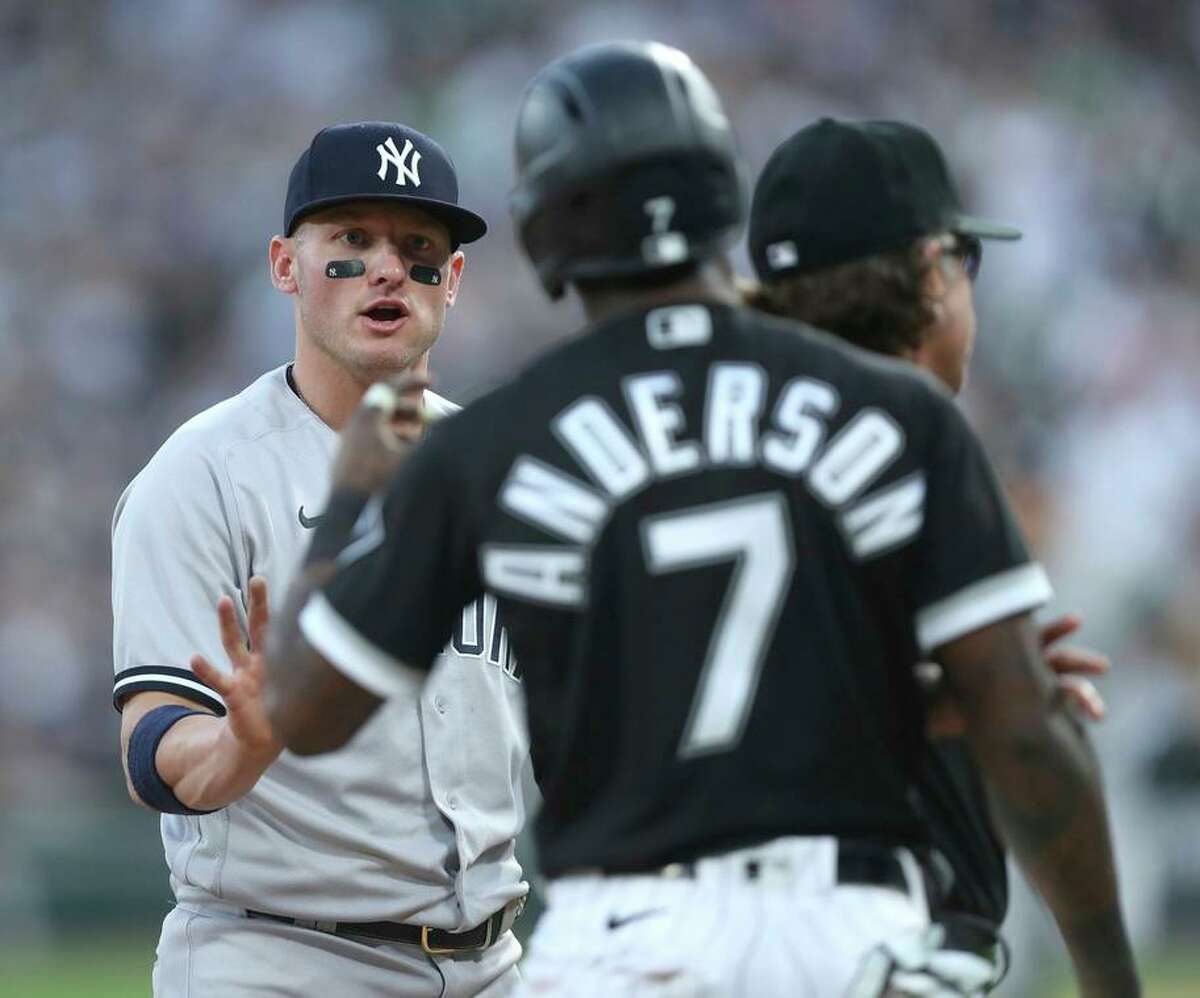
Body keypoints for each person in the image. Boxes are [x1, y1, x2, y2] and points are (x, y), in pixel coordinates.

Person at [263, 43, 1139, 996]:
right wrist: (1111, 977)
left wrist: (351, 496)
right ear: (722, 192)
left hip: (623, 936)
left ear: (547, 228)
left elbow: (306, 712)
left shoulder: (491, 445)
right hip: (850, 930)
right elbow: (1026, 731)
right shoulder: (896, 409)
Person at [111, 121, 529, 997]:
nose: (387, 269)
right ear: (284, 266)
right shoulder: (203, 474)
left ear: (450, 283)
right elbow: (152, 747)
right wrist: (239, 743)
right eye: (351, 241)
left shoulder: (501, 471)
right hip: (279, 960)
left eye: (419, 250)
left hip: (495, 965)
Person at [745, 117, 1113, 994]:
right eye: (964, 262)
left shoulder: (714, 453)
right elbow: (1029, 747)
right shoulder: (912, 441)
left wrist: (928, 689)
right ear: (928, 272)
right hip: (885, 935)